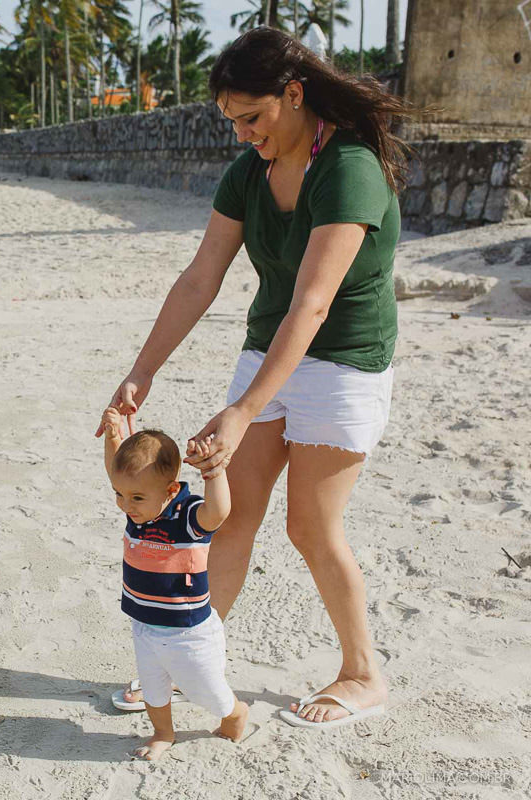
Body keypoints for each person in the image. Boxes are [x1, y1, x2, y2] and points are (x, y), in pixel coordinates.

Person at [100, 27, 417, 728]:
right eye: (233, 122)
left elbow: (314, 301)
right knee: (231, 516)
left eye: (253, 118)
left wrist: (243, 408)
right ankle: (192, 656)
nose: (244, 135)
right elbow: (199, 279)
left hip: (344, 362)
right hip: (267, 349)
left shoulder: (351, 166)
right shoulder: (248, 173)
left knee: (310, 526)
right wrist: (140, 372)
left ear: (294, 95)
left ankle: (364, 674)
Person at [101, 409, 249, 759]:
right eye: (120, 495)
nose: (126, 505)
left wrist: (214, 472)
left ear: (169, 489)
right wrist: (113, 438)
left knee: (206, 691)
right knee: (154, 689)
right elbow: (118, 474)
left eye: (135, 498)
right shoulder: (139, 507)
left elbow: (220, 512)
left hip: (189, 632)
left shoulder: (185, 515)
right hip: (145, 626)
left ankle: (235, 712)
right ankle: (163, 733)